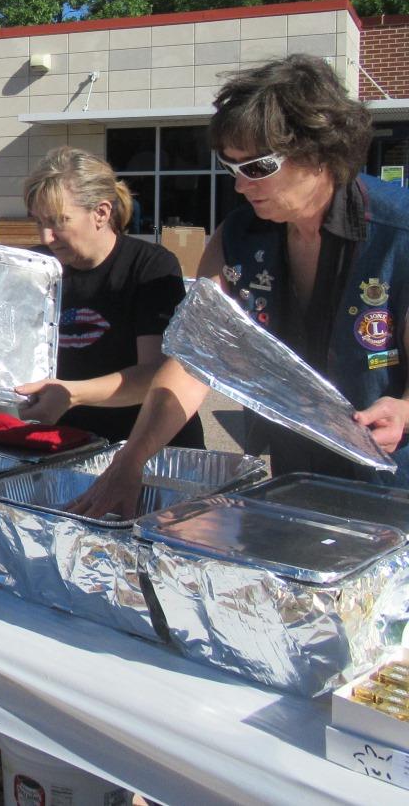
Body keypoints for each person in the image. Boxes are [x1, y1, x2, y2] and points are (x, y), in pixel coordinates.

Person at [73, 53, 409, 519]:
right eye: (231, 167)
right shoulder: (237, 238)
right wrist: (131, 461)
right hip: (297, 478)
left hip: (394, 485)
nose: (239, 185)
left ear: (318, 151)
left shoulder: (398, 233)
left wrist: (405, 408)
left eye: (257, 167)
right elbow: (193, 362)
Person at [0, 146, 205, 450]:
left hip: (149, 445)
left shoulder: (149, 267)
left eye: (58, 221)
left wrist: (71, 394)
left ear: (101, 213)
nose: (46, 237)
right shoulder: (33, 268)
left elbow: (154, 374)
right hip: (74, 444)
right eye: (39, 222)